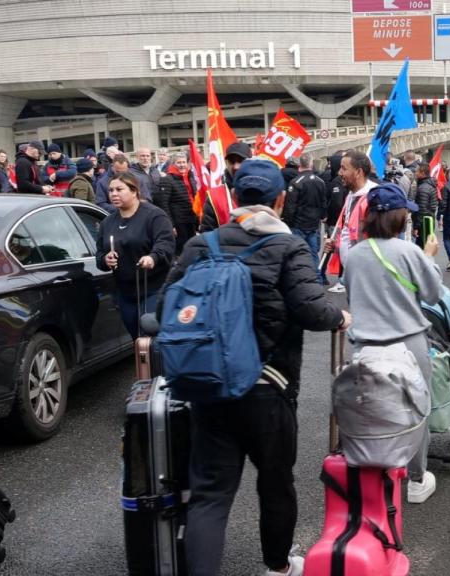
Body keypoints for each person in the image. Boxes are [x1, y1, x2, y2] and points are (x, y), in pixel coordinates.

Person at [161, 158, 348, 576]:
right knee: (275, 482)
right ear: (280, 200)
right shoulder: (287, 246)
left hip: (207, 385)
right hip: (269, 387)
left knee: (210, 494)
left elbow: (163, 310)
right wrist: (340, 318)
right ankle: (278, 567)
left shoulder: (201, 244)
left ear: (236, 197)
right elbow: (313, 311)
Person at [343, 182, 443, 504]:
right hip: (408, 345)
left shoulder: (355, 255)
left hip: (365, 347)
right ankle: (415, 480)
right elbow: (431, 294)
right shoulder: (410, 252)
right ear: (401, 218)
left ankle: (371, 475)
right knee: (415, 411)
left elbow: (351, 295)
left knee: (368, 412)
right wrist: (428, 257)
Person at [94, 173, 175, 339]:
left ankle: (161, 364)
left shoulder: (154, 215)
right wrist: (105, 259)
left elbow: (165, 243)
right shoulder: (107, 223)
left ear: (134, 191)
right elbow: (100, 255)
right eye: (110, 190)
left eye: (119, 189)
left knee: (151, 336)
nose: (114, 194)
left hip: (154, 288)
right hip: (125, 292)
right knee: (137, 340)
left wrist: (153, 257)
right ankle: (144, 365)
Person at [323, 151, 377, 294]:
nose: (339, 172)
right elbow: (350, 232)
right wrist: (337, 245)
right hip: (353, 275)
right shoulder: (351, 195)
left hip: (368, 279)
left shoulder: (373, 198)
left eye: (344, 168)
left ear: (358, 172)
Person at [282, 154, 329, 284]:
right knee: (313, 253)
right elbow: (323, 202)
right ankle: (316, 279)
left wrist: (287, 223)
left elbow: (290, 206)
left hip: (298, 224)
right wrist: (323, 215)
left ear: (299, 165)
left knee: (297, 254)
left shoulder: (296, 182)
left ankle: (299, 280)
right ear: (311, 163)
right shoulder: (320, 181)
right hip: (313, 225)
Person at [199, 141, 252, 232]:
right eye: (232, 161)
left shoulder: (264, 191)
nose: (236, 166)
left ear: (251, 161)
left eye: (241, 160)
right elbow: (207, 234)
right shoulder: (214, 196)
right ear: (226, 163)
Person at [155, 152, 199, 254]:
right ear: (173, 164)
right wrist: (171, 224)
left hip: (191, 218)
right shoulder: (167, 179)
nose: (182, 165)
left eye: (184, 162)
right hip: (179, 221)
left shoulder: (190, 176)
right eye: (179, 162)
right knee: (181, 249)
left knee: (192, 246)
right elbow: (164, 204)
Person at [412, 163, 438, 248]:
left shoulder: (423, 188)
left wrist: (416, 227)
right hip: (428, 220)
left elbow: (422, 209)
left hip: (424, 223)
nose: (415, 173)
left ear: (422, 173)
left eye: (417, 171)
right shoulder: (429, 185)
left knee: (423, 248)